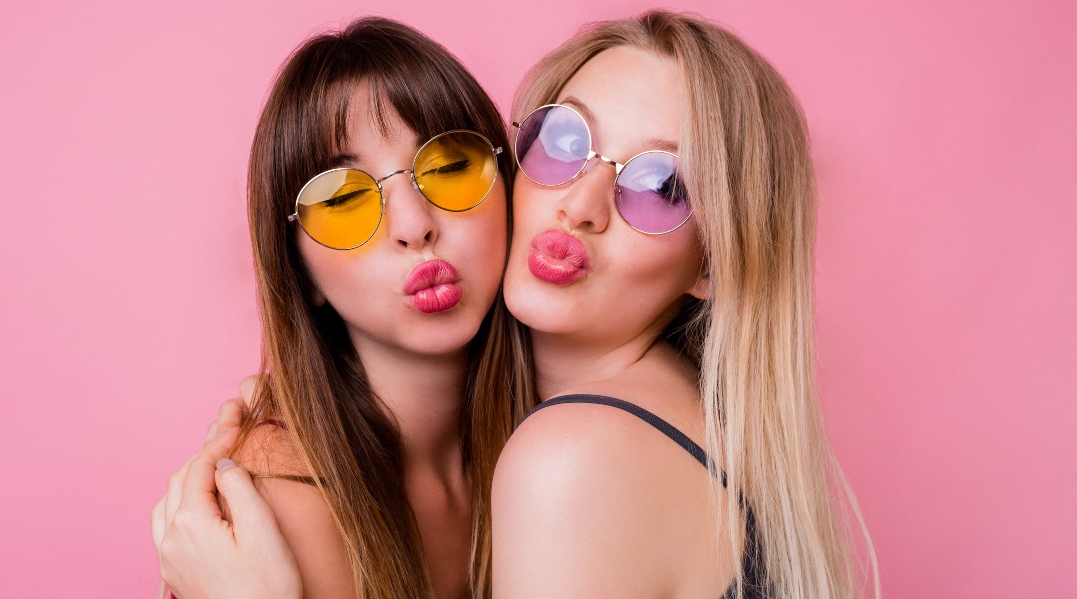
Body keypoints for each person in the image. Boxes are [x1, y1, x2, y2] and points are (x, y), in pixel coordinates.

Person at [155, 10, 878, 599]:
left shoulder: (569, 459)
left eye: (663, 186)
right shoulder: (280, 500)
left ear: (717, 261)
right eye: (566, 141)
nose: (582, 205)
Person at [151, 16, 532, 599]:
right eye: (346, 198)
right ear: (301, 273)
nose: (414, 226)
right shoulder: (281, 503)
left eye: (451, 167)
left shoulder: (547, 441)